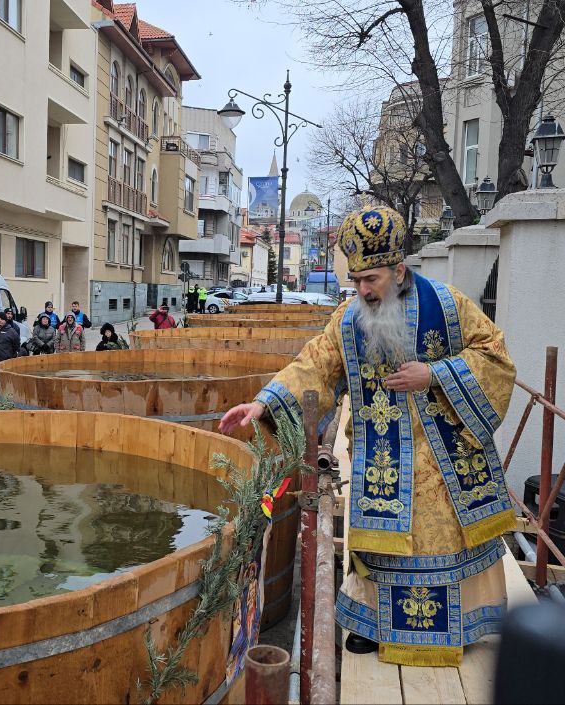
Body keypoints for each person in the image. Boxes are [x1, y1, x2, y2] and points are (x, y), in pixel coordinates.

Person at [219, 206, 517, 668]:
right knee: (378, 543)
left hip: (442, 458)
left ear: (398, 270)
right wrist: (263, 403)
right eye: (356, 279)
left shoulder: (449, 305)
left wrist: (434, 374)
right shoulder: (347, 319)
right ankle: (374, 624)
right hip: (381, 453)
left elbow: (495, 355)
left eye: (371, 279)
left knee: (441, 542)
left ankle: (457, 627)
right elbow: (314, 364)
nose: (362, 290)